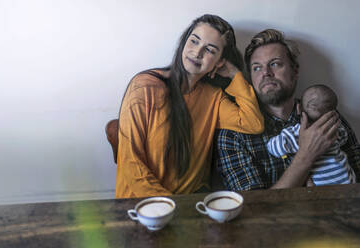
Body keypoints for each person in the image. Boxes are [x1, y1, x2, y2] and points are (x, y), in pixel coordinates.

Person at [115, 14, 264, 198]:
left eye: (210, 50)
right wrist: (169, 204)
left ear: (219, 62)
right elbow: (131, 162)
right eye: (194, 41)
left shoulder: (213, 97)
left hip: (189, 206)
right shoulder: (145, 86)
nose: (197, 52)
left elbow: (253, 123)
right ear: (184, 42)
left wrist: (235, 75)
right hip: (141, 206)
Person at [216, 29, 360, 191]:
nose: (266, 73)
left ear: (295, 71)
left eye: (275, 64)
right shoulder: (234, 134)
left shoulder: (324, 115)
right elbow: (252, 208)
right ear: (250, 77)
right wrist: (306, 155)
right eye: (257, 68)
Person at [267, 84, 356, 186]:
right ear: (332, 113)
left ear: (299, 108)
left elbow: (274, 148)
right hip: (347, 179)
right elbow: (344, 137)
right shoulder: (335, 128)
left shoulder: (296, 132)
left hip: (322, 186)